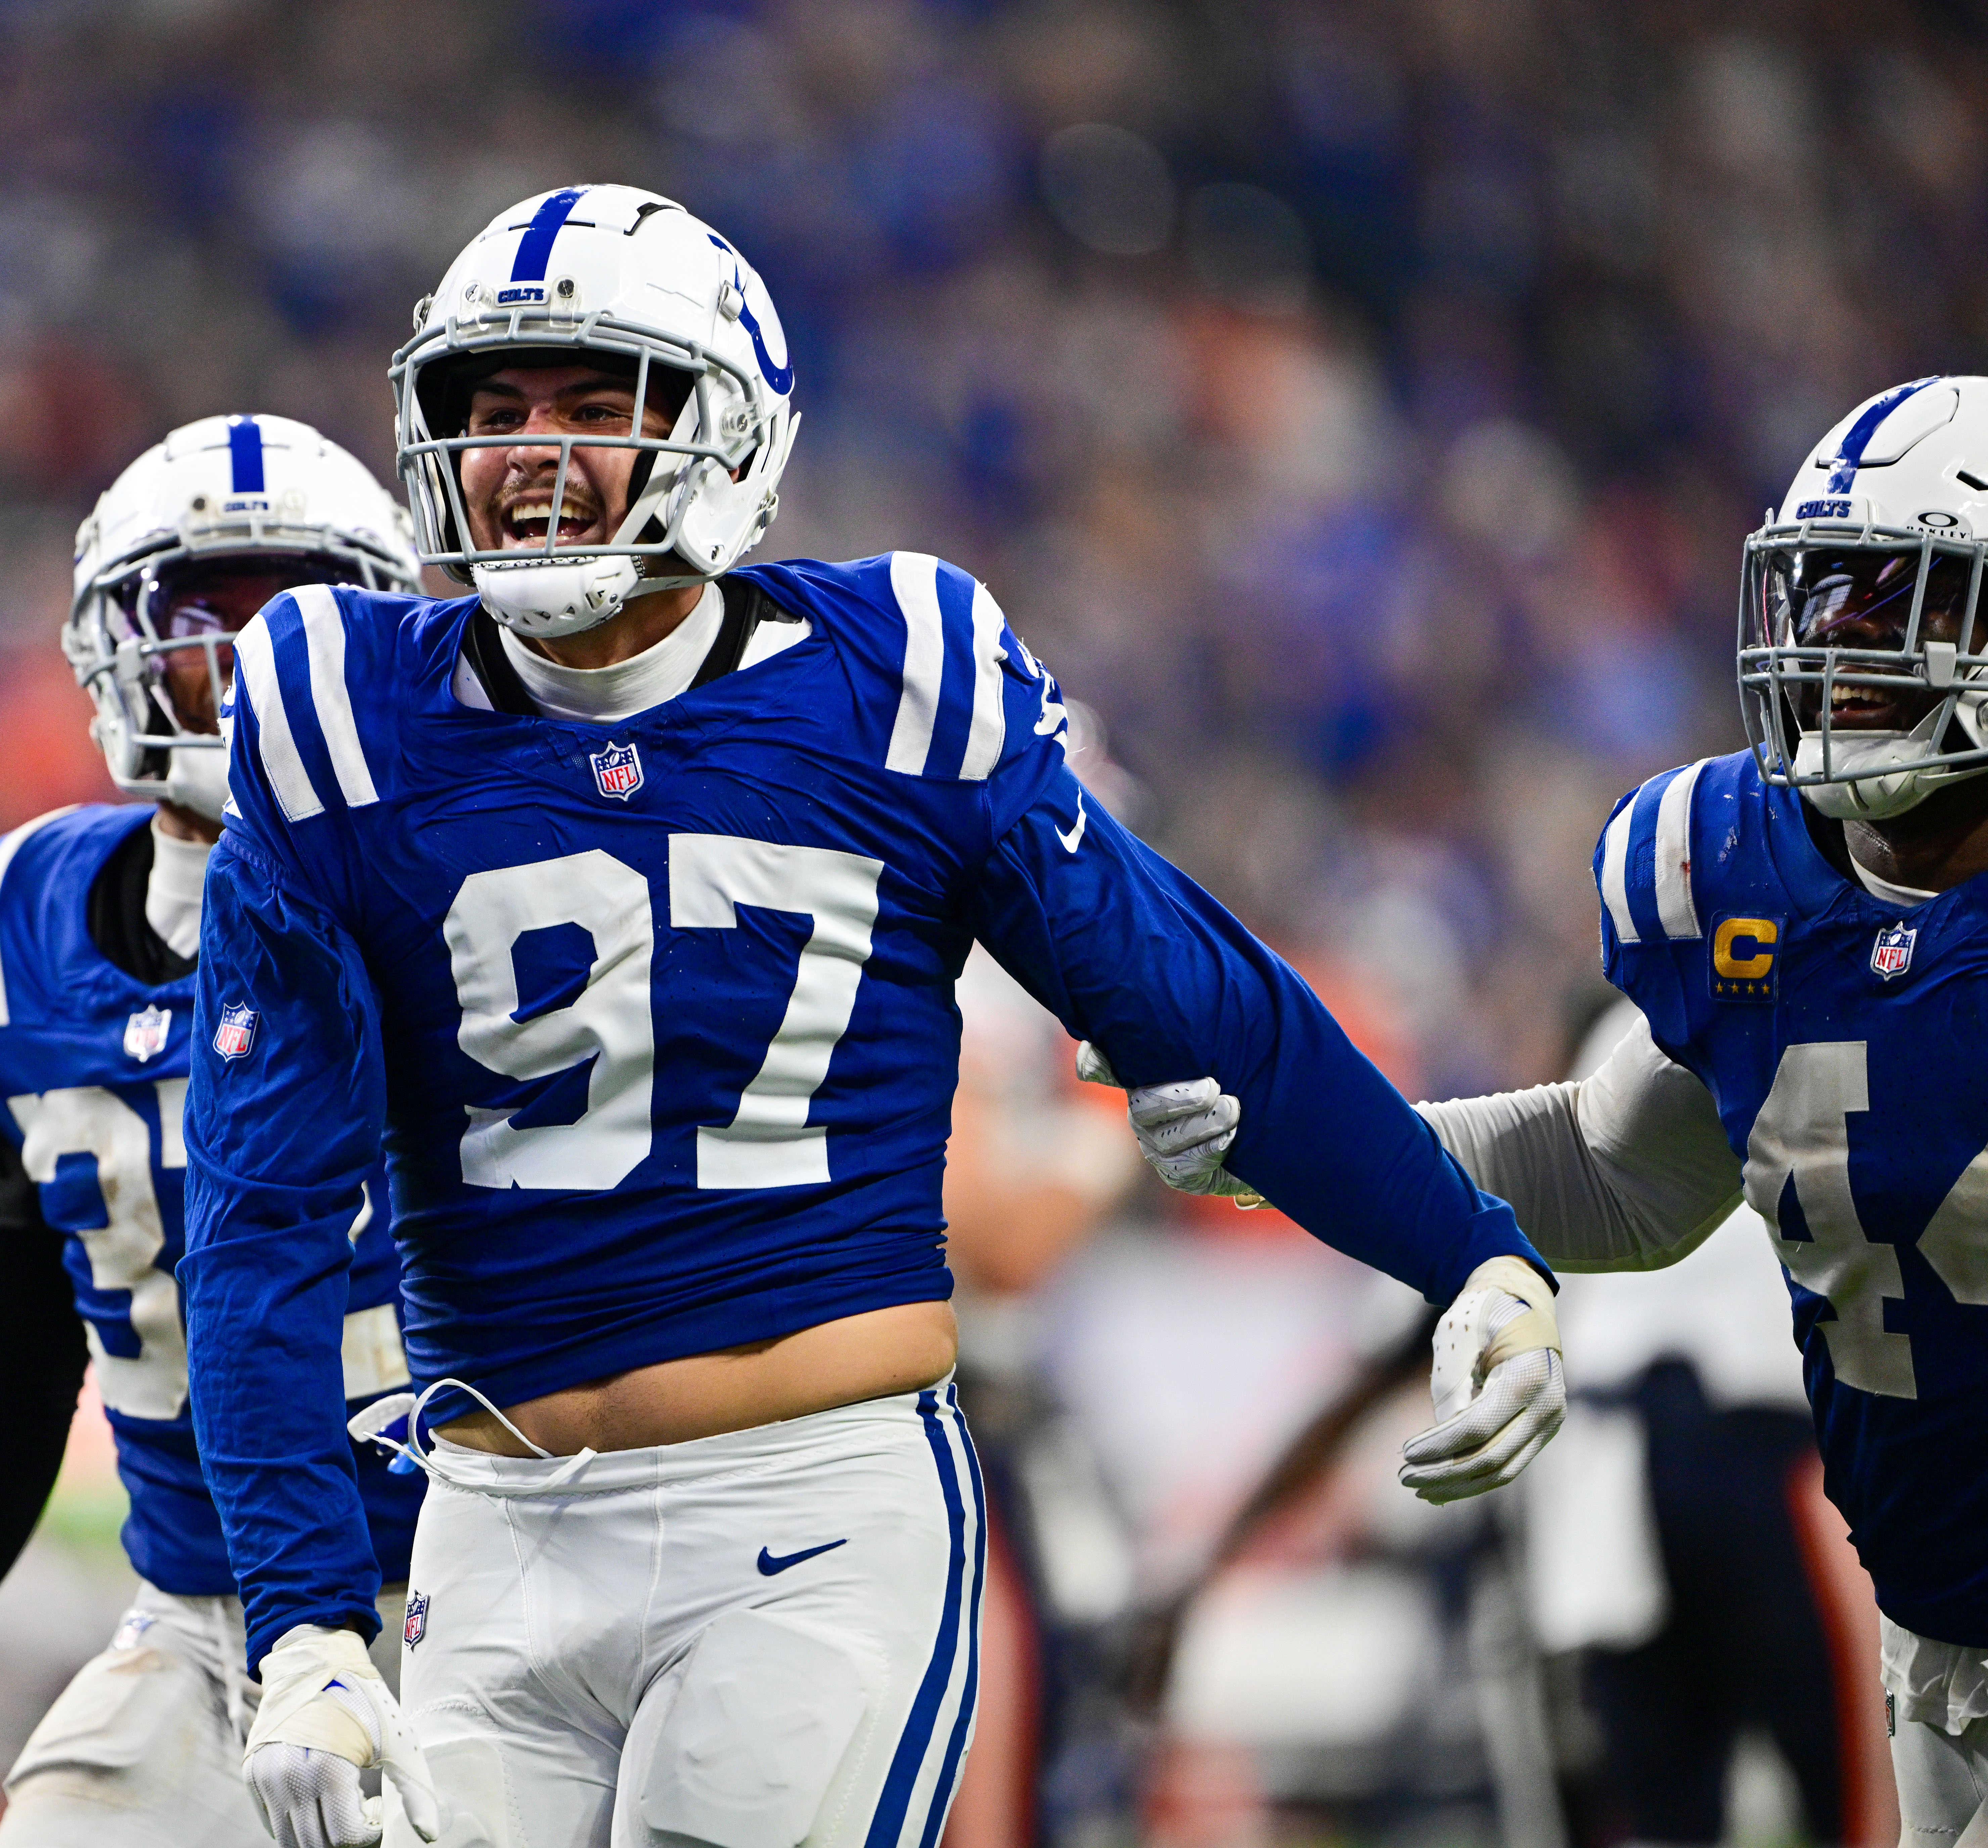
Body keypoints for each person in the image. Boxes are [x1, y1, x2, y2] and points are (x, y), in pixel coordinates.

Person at [176, 183, 1568, 1848]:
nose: (528, 451)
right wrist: (306, 1624)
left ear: (724, 433)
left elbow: (1191, 994)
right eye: (496, 408)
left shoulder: (897, 679)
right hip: (490, 1525)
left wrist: (1468, 1250)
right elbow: (257, 1220)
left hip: (809, 1507)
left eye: (592, 401)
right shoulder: (338, 719)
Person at [1106, 375, 1988, 1848]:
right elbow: (1613, 1171)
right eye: (1827, 590)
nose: (1843, 641)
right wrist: (1293, 1136)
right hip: (1938, 1634)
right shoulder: (1747, 874)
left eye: (1904, 596)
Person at [0, 415, 429, 1848]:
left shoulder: (459, 893)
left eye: (293, 626)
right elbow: (9, 1365)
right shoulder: (13, 936)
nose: (245, 674)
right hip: (200, 1617)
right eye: (199, 624)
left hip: (462, 1601)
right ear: (115, 646)